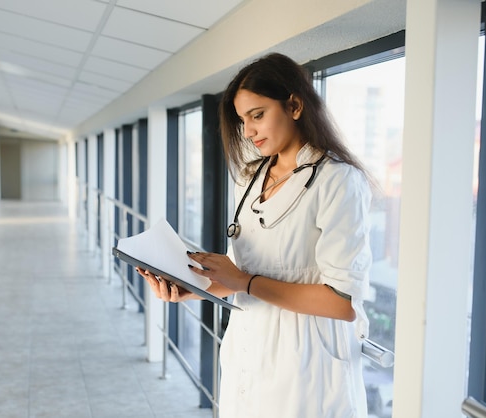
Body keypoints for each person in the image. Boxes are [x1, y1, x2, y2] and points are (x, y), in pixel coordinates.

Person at [138, 52, 372, 418]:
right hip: (247, 348)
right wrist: (190, 288)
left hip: (307, 366)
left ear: (294, 105)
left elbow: (342, 303)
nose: (247, 131)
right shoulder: (250, 179)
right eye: (242, 120)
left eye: (257, 115)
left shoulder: (338, 181)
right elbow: (242, 275)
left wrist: (243, 281)